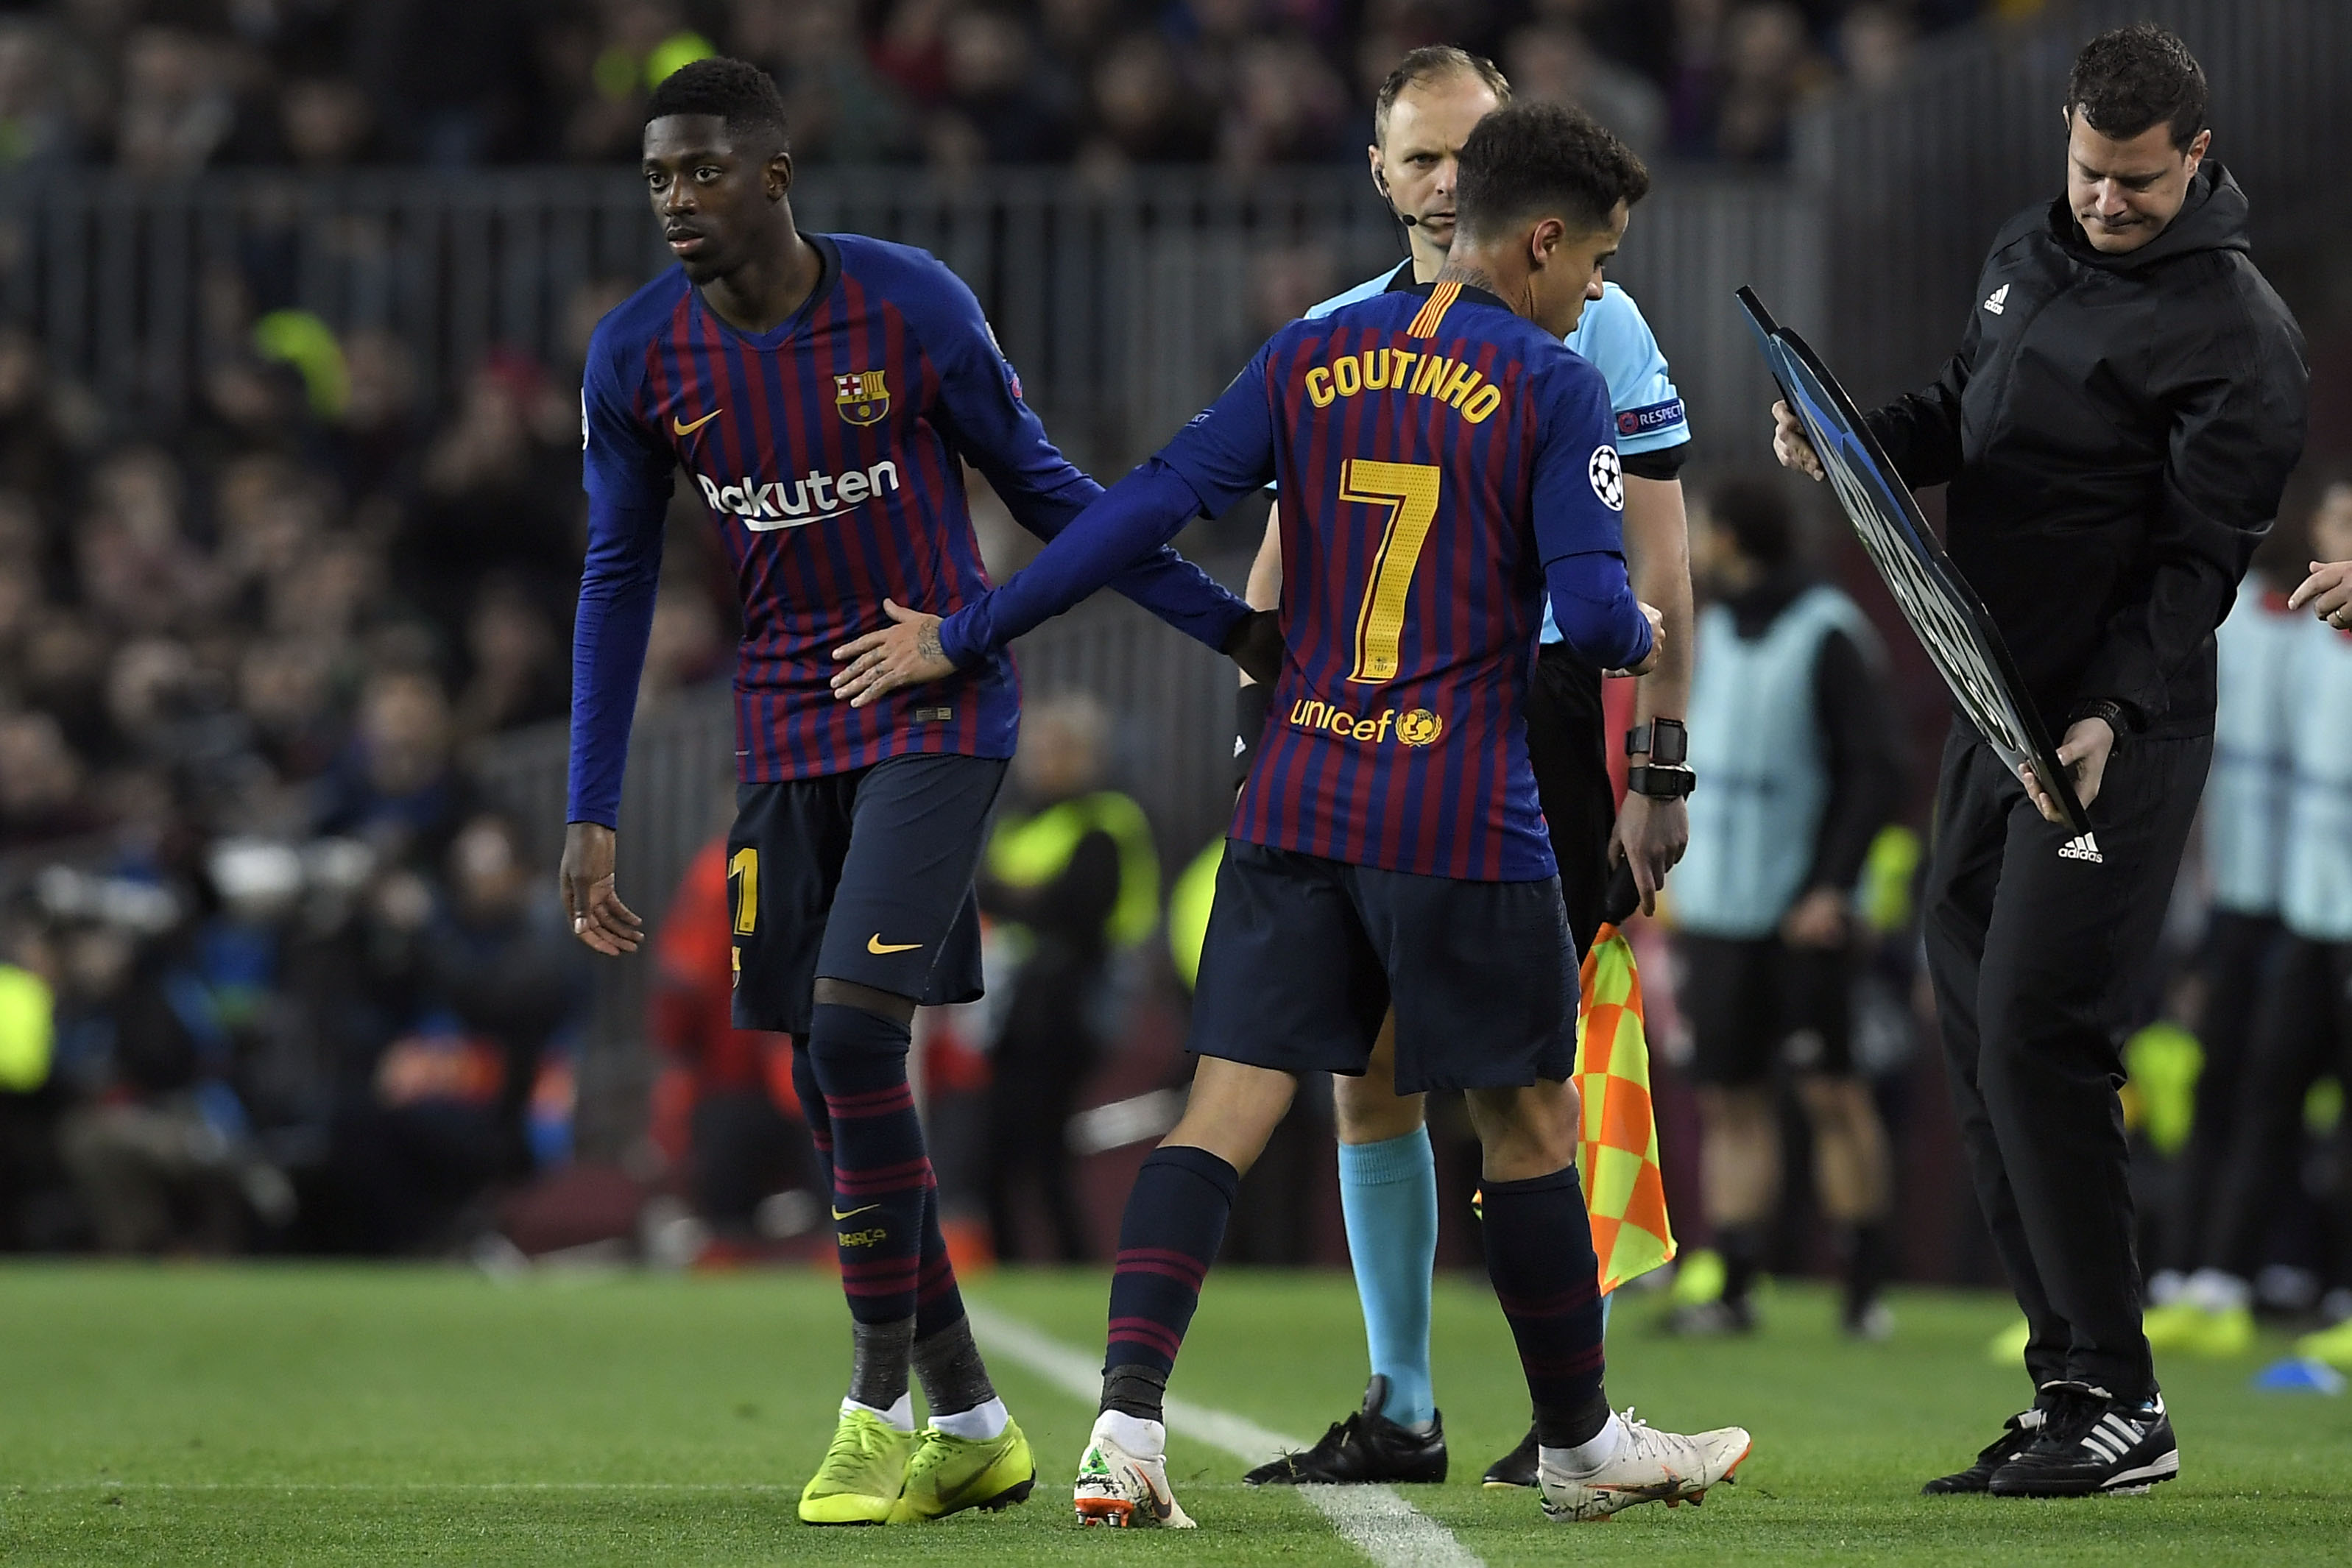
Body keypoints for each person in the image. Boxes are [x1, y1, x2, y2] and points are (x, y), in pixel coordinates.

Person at [836, 98, 1751, 1529]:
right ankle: (1577, 1444)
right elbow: (1590, 611)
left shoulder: (1310, 351)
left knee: (1220, 1113)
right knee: (1527, 1123)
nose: (1595, 290)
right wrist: (1637, 634)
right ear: (1545, 239)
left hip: (1298, 798)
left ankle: (1124, 1434)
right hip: (1458, 808)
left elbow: (1138, 510)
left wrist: (976, 629)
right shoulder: (1554, 382)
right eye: (1598, 260)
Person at [561, 57, 1262, 1528]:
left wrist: (1227, 626)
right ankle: (975, 1420)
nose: (677, 202)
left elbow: (1053, 496)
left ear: (773, 173)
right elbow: (618, 576)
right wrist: (592, 804)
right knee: (829, 1082)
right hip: (781, 740)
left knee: (850, 1035)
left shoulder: (909, 308)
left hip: (940, 712)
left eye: (702, 171)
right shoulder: (638, 359)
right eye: (656, 178)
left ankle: (872, 1407)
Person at [1771, 24, 2306, 1497]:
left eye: (2134, 181)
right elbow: (1963, 405)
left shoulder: (2238, 336)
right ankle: (2067, 1379)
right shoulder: (2027, 244)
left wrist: (2115, 718)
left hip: (2102, 732)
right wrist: (1857, 442)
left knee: (2036, 1036)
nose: (2104, 202)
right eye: (2087, 172)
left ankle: (2121, 1401)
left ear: (2194, 158)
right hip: (1988, 700)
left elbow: (2197, 565)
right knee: (1975, 1033)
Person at [1228, 44, 1699, 1489]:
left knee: (1526, 1078)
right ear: (1375, 171)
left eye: (1466, 152)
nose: (1442, 180)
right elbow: (1286, 555)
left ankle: (1573, 1419)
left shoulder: (1596, 324)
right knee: (1366, 1077)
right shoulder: (1330, 331)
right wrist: (1257, 737)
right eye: (1417, 156)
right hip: (1356, 721)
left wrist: (1657, 767)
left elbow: (1658, 562)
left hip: (1534, 715)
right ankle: (1404, 1406)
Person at [1665, 478, 1902, 1340]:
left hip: (1802, 914)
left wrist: (1830, 887)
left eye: (1701, 527)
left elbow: (1877, 772)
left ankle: (1865, 1285)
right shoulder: (1715, 630)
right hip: (1721, 909)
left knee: (1832, 1092)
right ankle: (1733, 1282)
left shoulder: (1828, 632)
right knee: (1730, 1096)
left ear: (1730, 534)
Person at [2155, 476, 2352, 1359]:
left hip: (2305, 902)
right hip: (2294, 905)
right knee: (2255, 1089)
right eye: (2337, 518)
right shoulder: (2282, 628)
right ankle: (2215, 1277)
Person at [976, 693, 1159, 1263]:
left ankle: (1069, 1260)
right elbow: (985, 892)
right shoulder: (1018, 817)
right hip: (1012, 1000)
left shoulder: (1107, 818)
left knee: (1041, 1142)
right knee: (1003, 1145)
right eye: (1039, 749)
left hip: (1074, 1000)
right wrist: (1032, 900)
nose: (1044, 760)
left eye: (1060, 749)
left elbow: (1082, 911)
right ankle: (1025, 1259)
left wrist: (1025, 900)